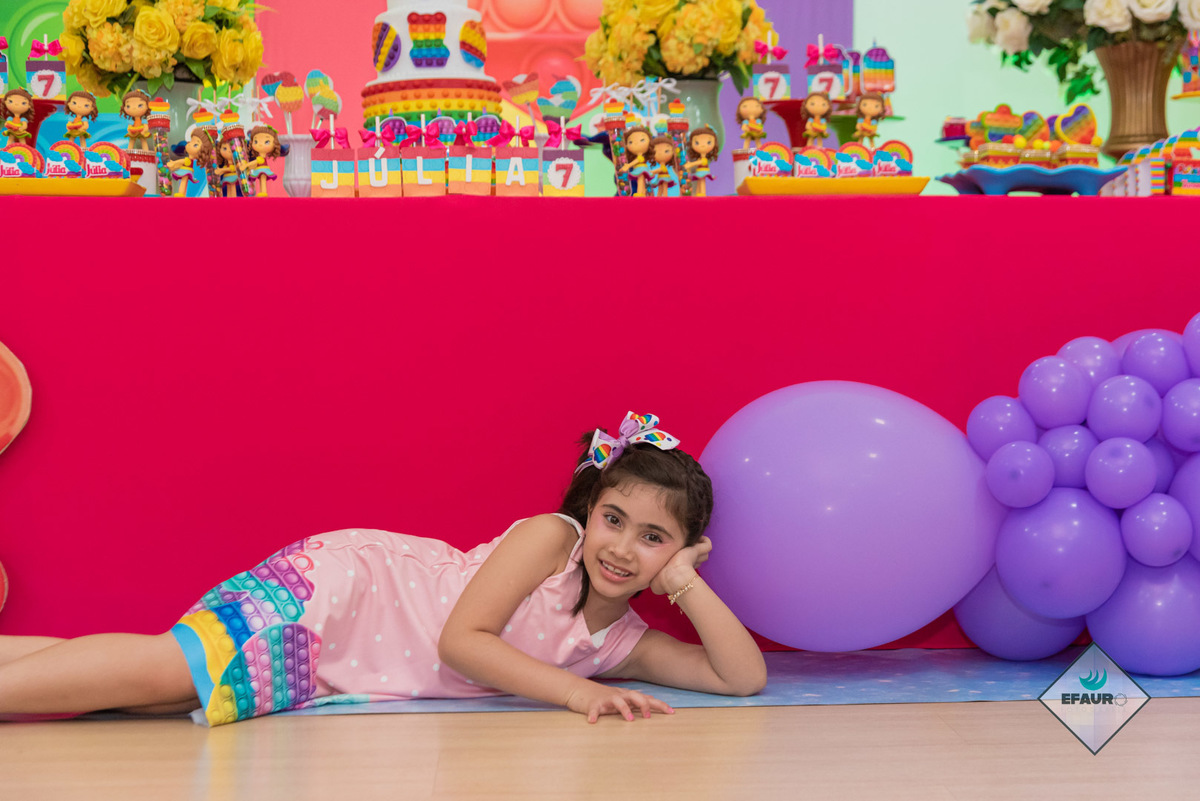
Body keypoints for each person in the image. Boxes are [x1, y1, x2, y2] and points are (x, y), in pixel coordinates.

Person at [0, 412, 767, 725]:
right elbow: (463, 641)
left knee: (167, 689)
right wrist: (575, 692)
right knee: (172, 666)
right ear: (589, 508)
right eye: (614, 519)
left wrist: (685, 581)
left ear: (679, 549)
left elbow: (741, 678)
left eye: (653, 538)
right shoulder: (552, 538)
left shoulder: (620, 642)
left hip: (348, 658)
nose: (622, 547)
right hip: (348, 592)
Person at [682, 126, 720, 198]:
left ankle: (703, 194)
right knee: (699, 182)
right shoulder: (700, 158)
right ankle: (697, 193)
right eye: (697, 143)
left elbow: (699, 162)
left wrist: (690, 164)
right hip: (699, 171)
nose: (702, 145)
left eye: (708, 142)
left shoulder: (704, 159)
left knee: (702, 182)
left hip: (703, 172)